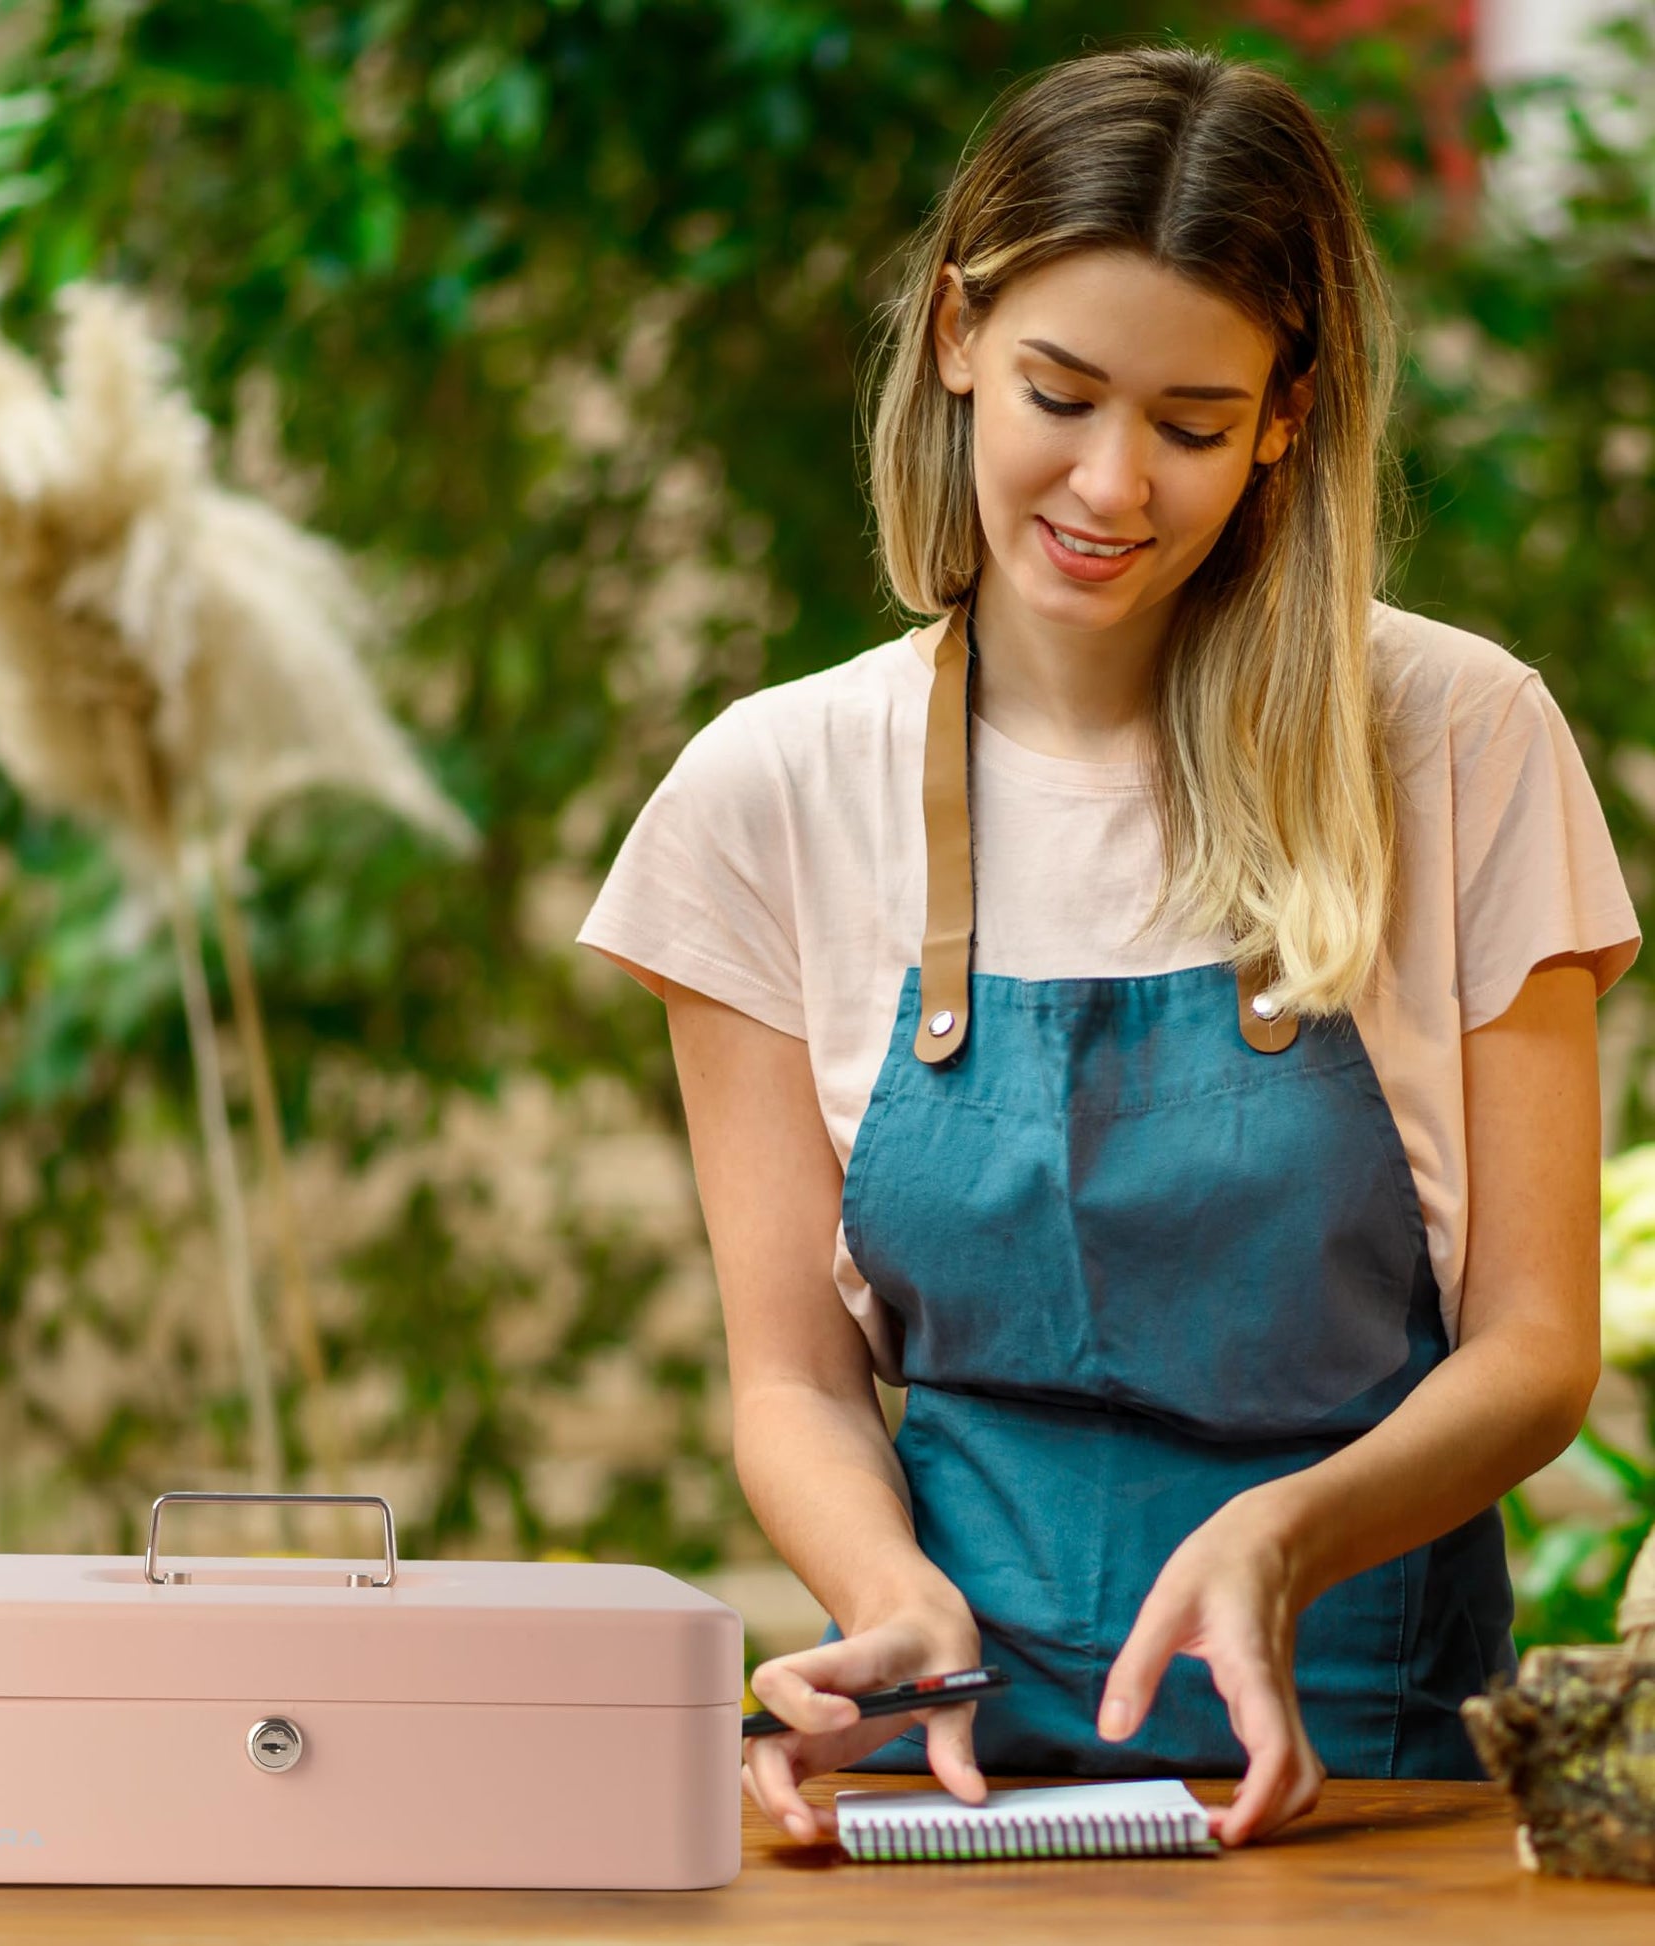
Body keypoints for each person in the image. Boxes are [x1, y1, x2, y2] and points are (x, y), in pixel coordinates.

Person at [576, 43, 1642, 1848]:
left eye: (1192, 423)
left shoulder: (1458, 739)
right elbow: (793, 1379)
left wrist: (1280, 1537)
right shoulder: (766, 788)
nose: (1111, 485)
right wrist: (892, 1612)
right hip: (943, 1771)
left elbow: (1536, 1348)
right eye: (1060, 394)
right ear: (952, 335)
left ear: (1288, 416)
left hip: (1351, 1768)